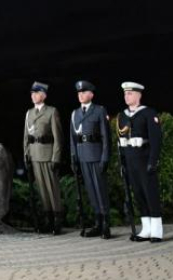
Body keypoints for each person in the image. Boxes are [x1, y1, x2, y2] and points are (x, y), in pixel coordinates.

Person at [116, 82, 163, 242]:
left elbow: (156, 140)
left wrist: (153, 161)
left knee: (150, 194)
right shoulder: (122, 116)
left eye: (130, 94)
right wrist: (122, 162)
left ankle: (156, 230)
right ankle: (146, 229)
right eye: (125, 94)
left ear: (138, 95)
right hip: (130, 160)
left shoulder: (148, 113)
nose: (126, 96)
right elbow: (121, 139)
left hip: (144, 159)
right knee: (138, 195)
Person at [69, 80, 111, 238]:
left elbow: (106, 137)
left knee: (101, 190)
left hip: (96, 155)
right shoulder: (75, 114)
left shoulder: (99, 111)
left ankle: (106, 224)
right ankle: (97, 223)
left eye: (84, 92)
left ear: (91, 94)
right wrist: (74, 158)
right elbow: (73, 139)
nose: (80, 95)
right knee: (91, 191)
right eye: (79, 93)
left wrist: (105, 157)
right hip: (83, 157)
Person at [23, 81, 64, 235]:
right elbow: (26, 137)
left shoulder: (51, 112)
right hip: (34, 156)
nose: (33, 96)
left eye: (36, 93)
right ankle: (49, 220)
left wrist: (56, 158)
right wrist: (26, 154)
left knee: (52, 189)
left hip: (48, 155)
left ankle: (58, 221)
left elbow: (58, 137)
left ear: (44, 95)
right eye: (32, 93)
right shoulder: (29, 113)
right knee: (42, 190)